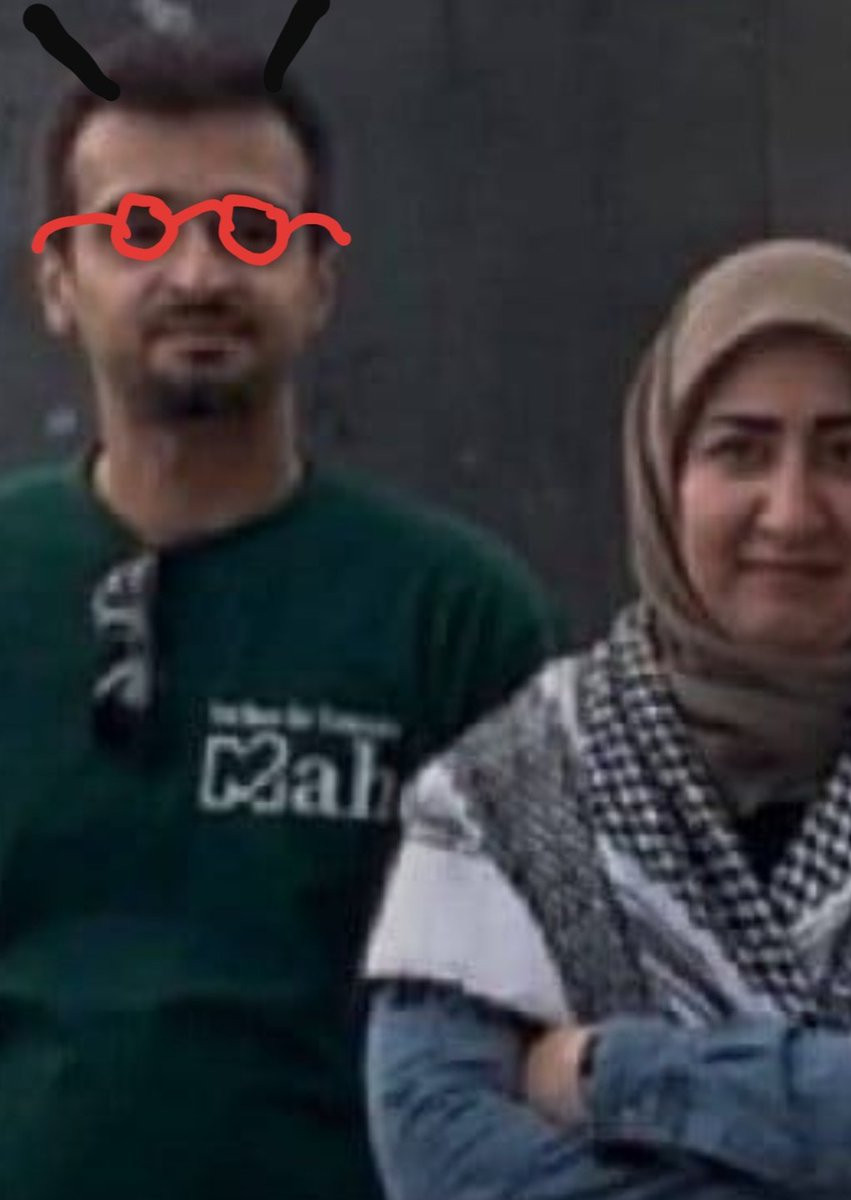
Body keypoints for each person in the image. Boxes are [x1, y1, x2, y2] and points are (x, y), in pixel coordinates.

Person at [365, 239, 851, 1200]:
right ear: (665, 473)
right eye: (741, 450)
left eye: (850, 455)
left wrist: (613, 1074)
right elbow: (442, 1151)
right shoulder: (510, 793)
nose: (792, 512)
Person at [1, 30, 560, 1200]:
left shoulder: (457, 619)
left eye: (251, 229)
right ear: (56, 283)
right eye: (139, 229)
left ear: (319, 283)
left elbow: (544, 1030)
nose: (198, 273)